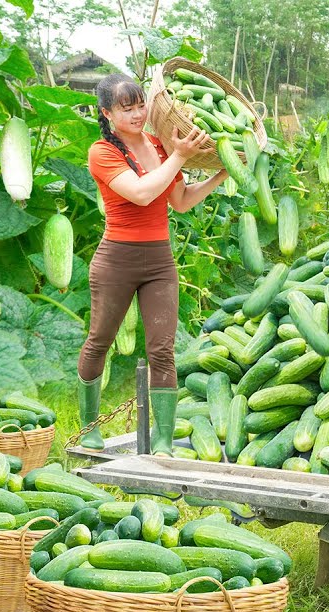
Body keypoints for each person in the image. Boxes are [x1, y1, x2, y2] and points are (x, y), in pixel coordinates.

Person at [77, 73, 227, 455]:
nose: (138, 114)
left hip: (159, 261)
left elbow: (179, 200)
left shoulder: (160, 146)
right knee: (99, 341)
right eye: (127, 109)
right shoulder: (102, 152)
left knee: (162, 349)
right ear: (107, 112)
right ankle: (90, 427)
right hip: (116, 261)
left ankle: (162, 437)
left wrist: (220, 174)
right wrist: (180, 155)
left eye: (141, 105)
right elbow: (142, 194)